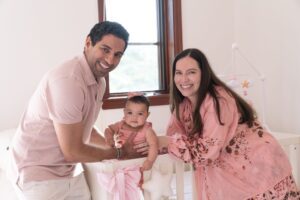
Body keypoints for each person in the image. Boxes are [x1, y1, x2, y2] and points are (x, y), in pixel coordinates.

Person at [8, 21, 142, 200]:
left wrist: (111, 145)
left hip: (68, 171)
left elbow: (84, 127)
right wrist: (119, 153)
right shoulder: (68, 81)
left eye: (118, 55)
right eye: (105, 49)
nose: (110, 60)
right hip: (36, 174)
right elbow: (72, 151)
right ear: (88, 43)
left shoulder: (99, 82)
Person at [159, 48, 300, 199]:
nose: (184, 79)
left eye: (191, 72)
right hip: (235, 173)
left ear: (203, 74)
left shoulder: (218, 100)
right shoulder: (183, 106)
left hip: (259, 169)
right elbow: (173, 136)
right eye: (178, 73)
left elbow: (207, 151)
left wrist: (167, 142)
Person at [104, 93, 158, 171]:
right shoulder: (121, 125)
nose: (134, 117)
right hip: (122, 157)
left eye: (140, 114)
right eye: (130, 113)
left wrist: (150, 161)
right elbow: (108, 130)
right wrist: (109, 140)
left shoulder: (147, 130)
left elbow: (154, 145)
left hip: (139, 160)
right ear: (124, 112)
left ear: (147, 115)